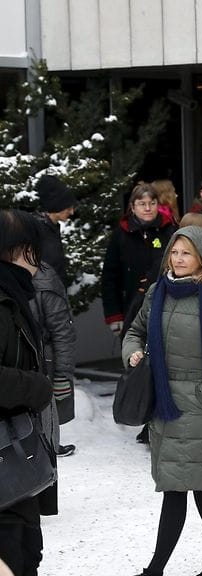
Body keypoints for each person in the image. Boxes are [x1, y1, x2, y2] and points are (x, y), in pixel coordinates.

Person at [122, 225, 202, 576]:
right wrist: (132, 352)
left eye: (186, 253)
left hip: (196, 409)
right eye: (174, 252)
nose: (177, 259)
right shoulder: (157, 293)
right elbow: (135, 331)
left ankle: (154, 570)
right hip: (162, 405)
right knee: (201, 488)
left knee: (179, 489)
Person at [0, 210, 55, 576]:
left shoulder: (13, 294)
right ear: (19, 250)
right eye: (36, 249)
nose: (40, 260)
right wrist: (36, 387)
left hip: (15, 454)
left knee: (26, 550)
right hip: (5, 458)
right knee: (15, 553)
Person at [101, 181, 177, 336]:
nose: (148, 208)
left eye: (152, 203)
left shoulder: (170, 231)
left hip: (167, 308)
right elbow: (110, 277)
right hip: (131, 308)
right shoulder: (121, 235)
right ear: (133, 207)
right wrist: (114, 315)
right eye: (142, 204)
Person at [30, 262, 76, 457]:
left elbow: (62, 331)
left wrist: (62, 375)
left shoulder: (44, 278)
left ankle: (48, 444)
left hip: (40, 358)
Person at [32, 175, 76, 286]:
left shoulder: (52, 227)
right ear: (57, 206)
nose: (72, 213)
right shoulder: (37, 231)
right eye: (68, 208)